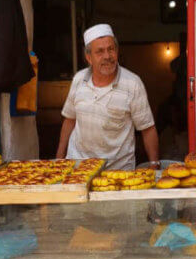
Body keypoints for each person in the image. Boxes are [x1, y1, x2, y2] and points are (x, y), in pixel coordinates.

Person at [56, 23, 159, 169]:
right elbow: (70, 120)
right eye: (100, 51)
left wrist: (154, 164)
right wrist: (59, 159)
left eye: (111, 49)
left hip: (117, 171)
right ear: (88, 57)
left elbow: (147, 128)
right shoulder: (79, 79)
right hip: (78, 168)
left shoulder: (132, 83)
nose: (107, 56)